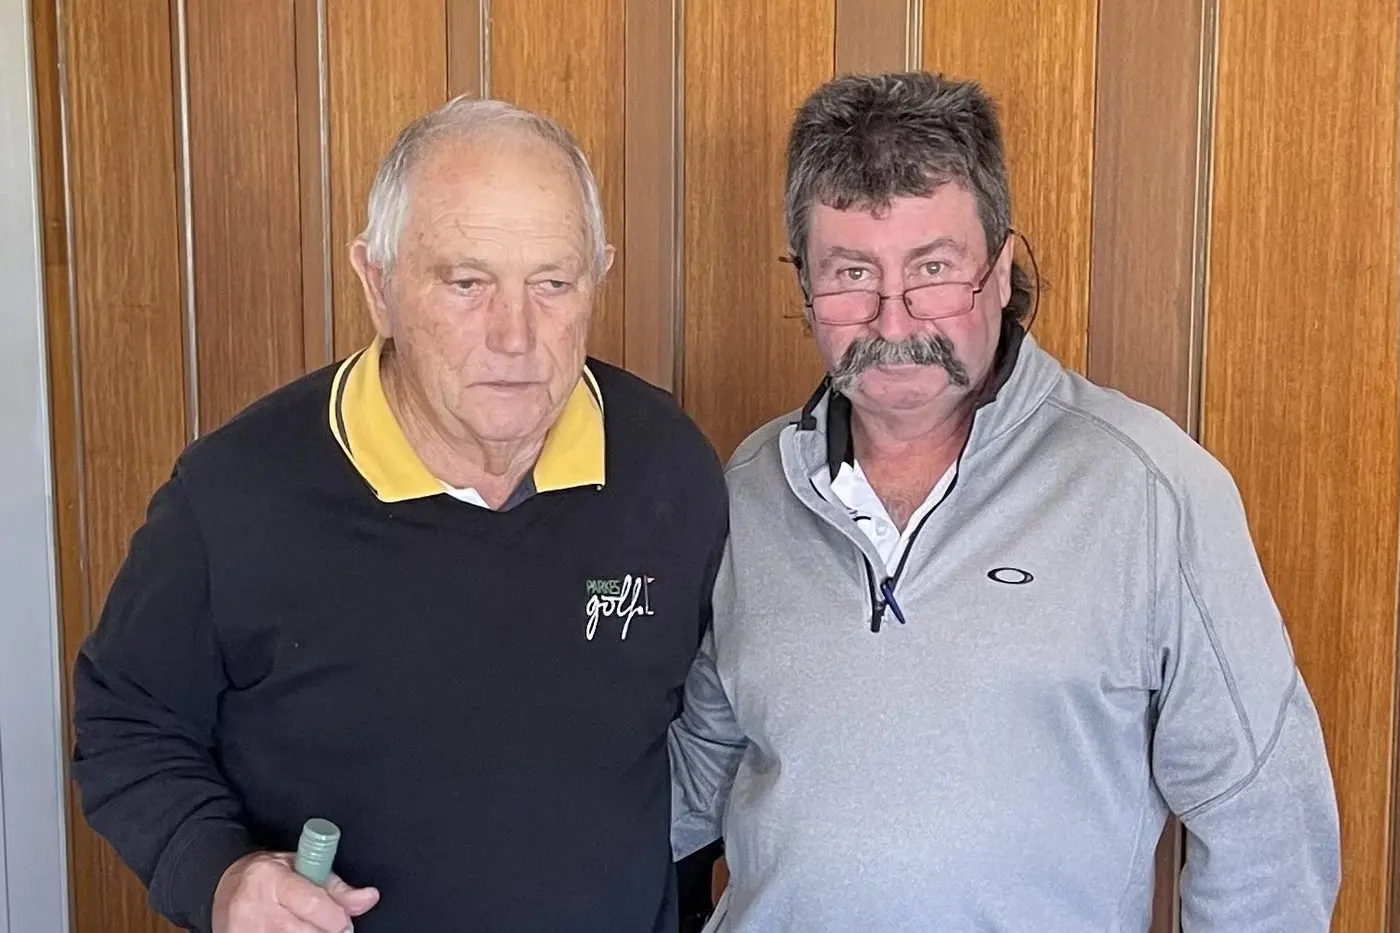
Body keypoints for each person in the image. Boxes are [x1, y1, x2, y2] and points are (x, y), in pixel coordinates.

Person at [669, 72, 1340, 932]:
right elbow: (695, 779)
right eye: (850, 274)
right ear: (804, 285)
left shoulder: (1150, 490)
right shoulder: (752, 486)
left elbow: (1265, 822)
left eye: (934, 269)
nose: (893, 317)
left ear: (1001, 269)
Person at [71, 96, 727, 933]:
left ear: (597, 272)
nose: (515, 335)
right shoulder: (234, 494)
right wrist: (219, 874)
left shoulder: (667, 465)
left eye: (553, 283)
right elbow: (127, 720)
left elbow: (710, 725)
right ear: (377, 285)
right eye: (466, 282)